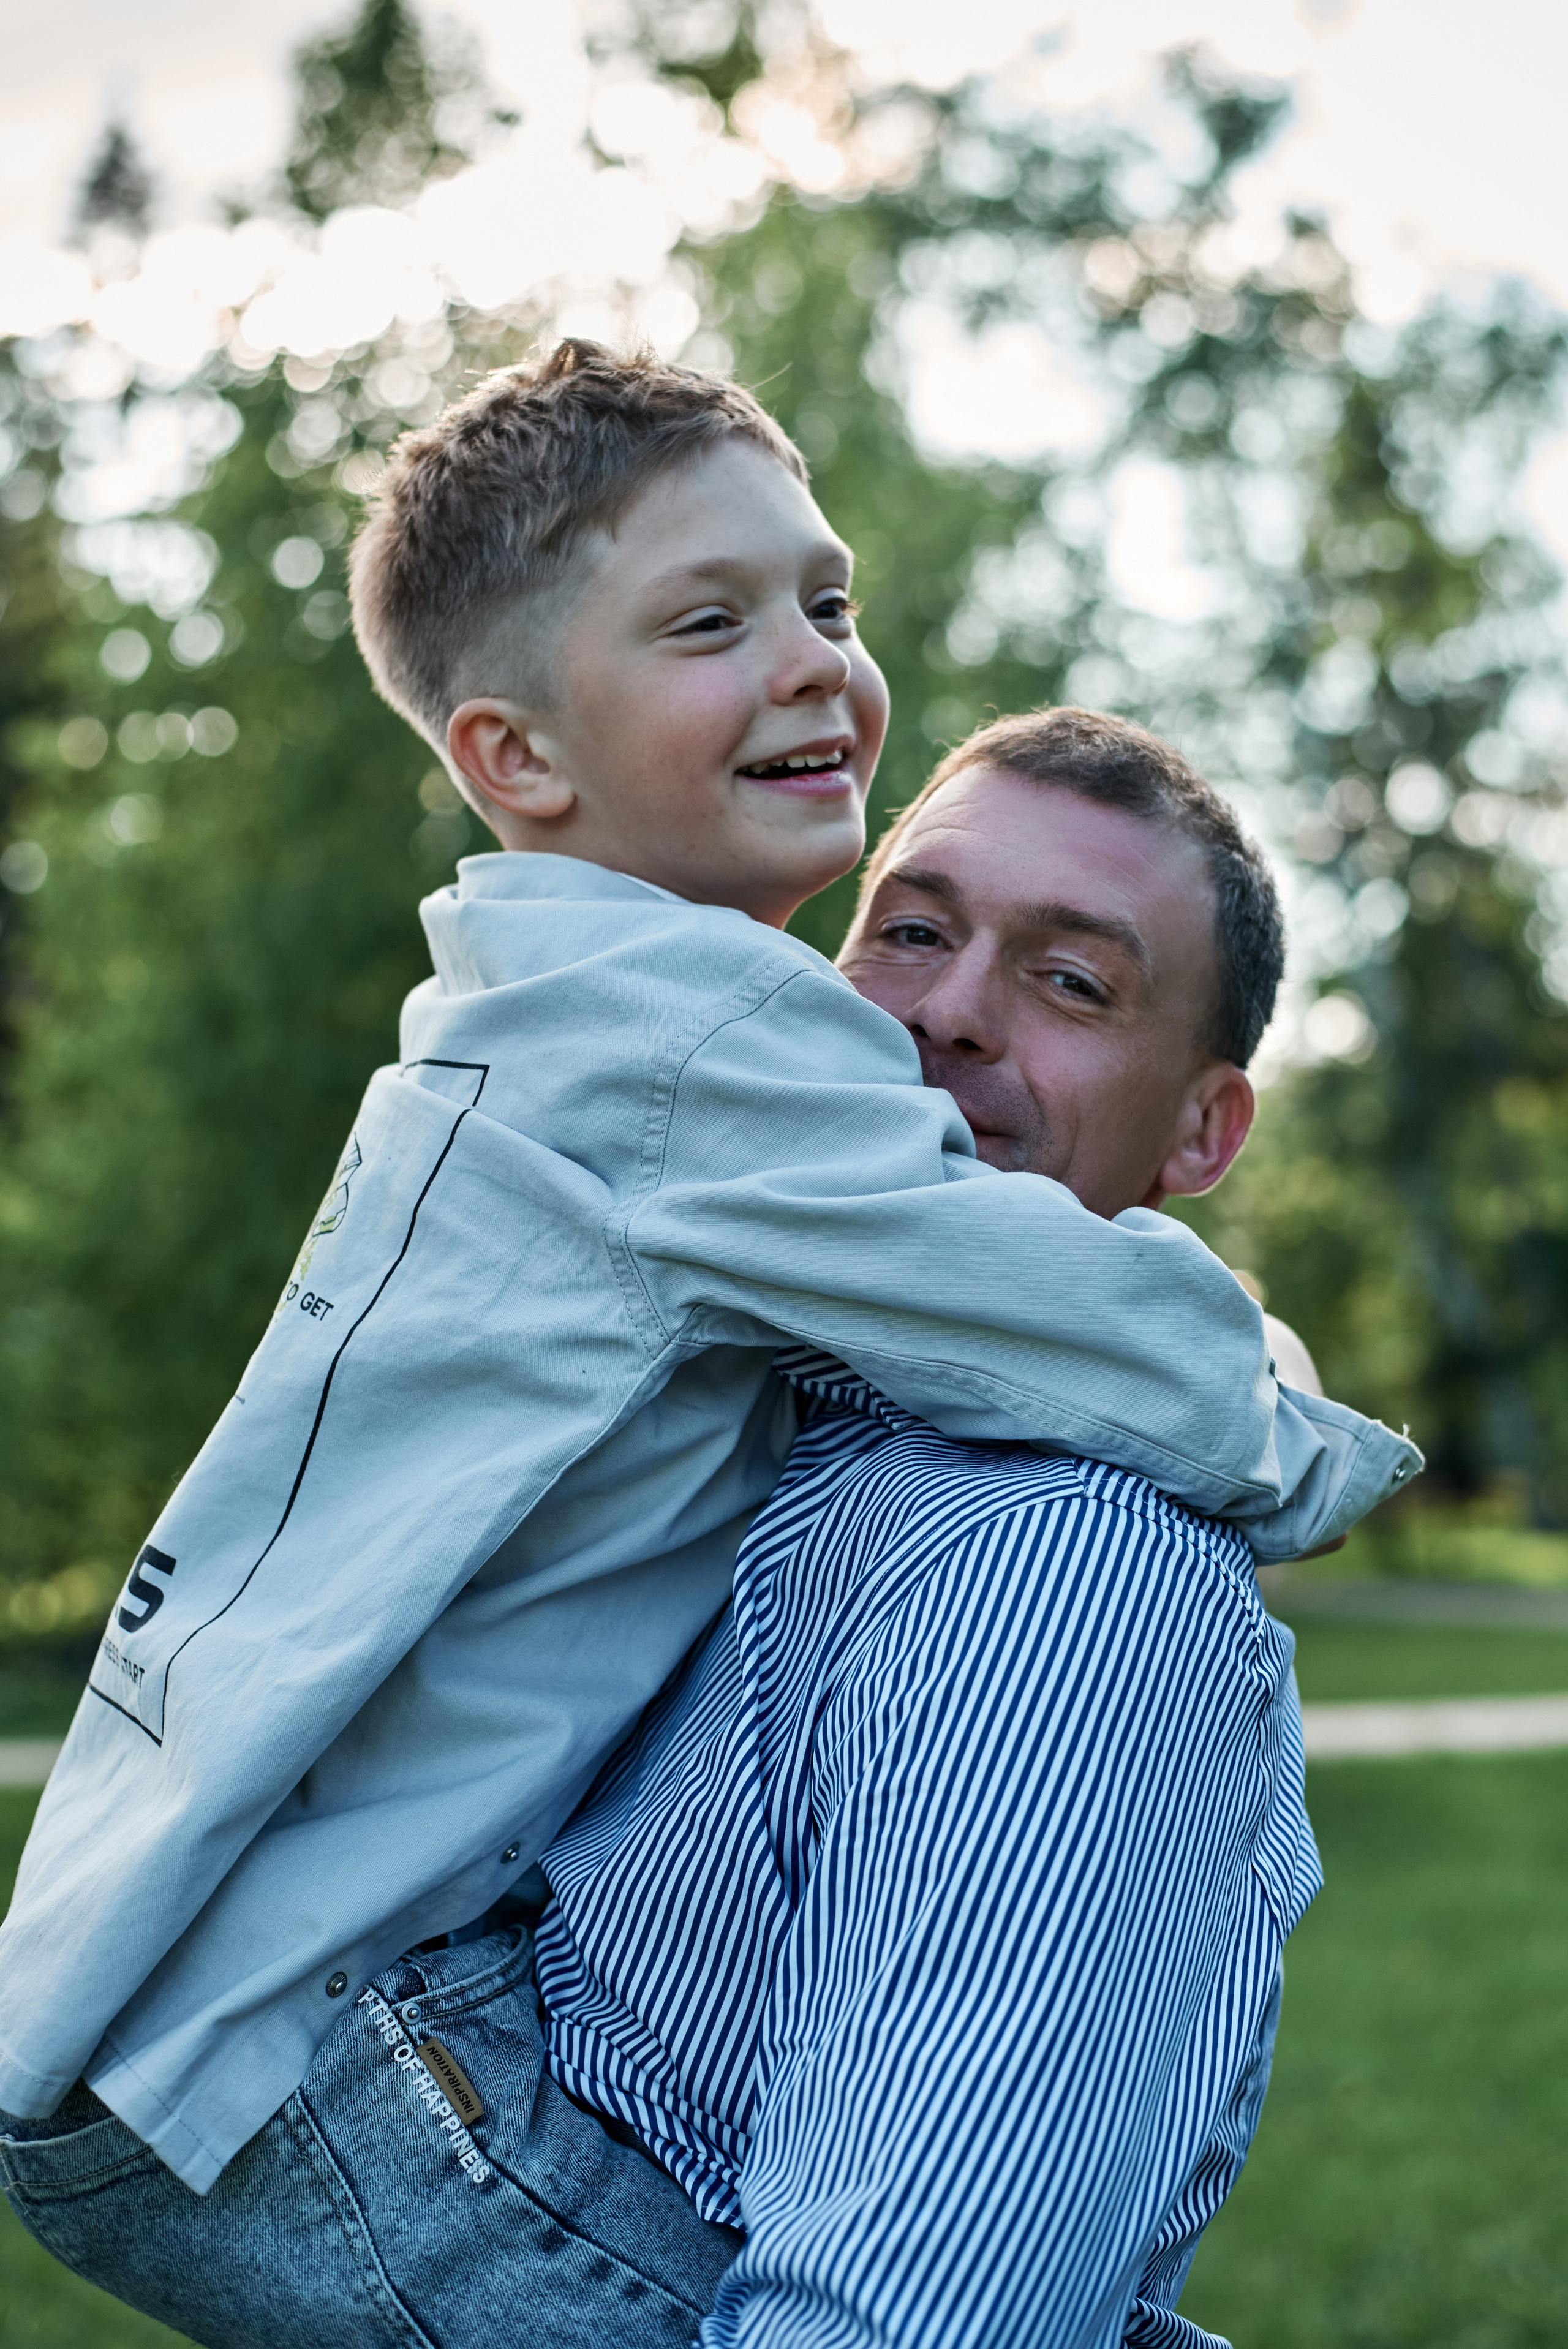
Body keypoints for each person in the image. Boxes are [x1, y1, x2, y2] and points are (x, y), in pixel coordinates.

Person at [0, 344, 1409, 2203]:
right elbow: (1070, 1321)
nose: (814, 657)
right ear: (515, 757)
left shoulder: (542, 1013)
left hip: (170, 1997)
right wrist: (1303, 1428)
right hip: (304, 2057)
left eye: (826, 598)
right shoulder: (694, 1054)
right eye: (710, 623)